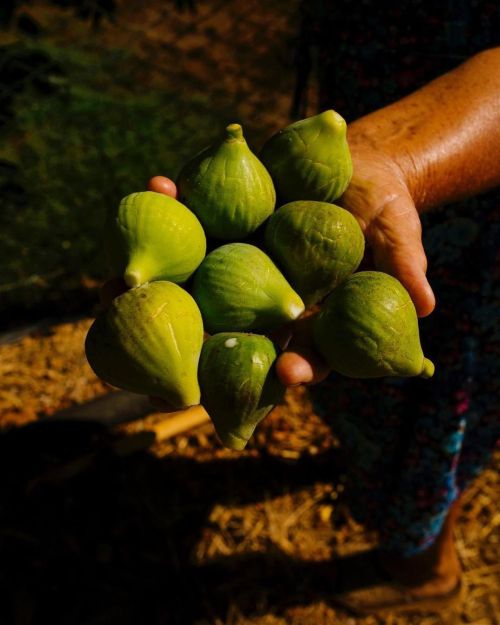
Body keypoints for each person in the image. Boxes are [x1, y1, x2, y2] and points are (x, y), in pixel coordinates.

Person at [145, 47, 500, 615]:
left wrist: (390, 156)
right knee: (360, 407)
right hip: (364, 112)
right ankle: (365, 473)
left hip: (471, 197)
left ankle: (427, 574)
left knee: (429, 424)